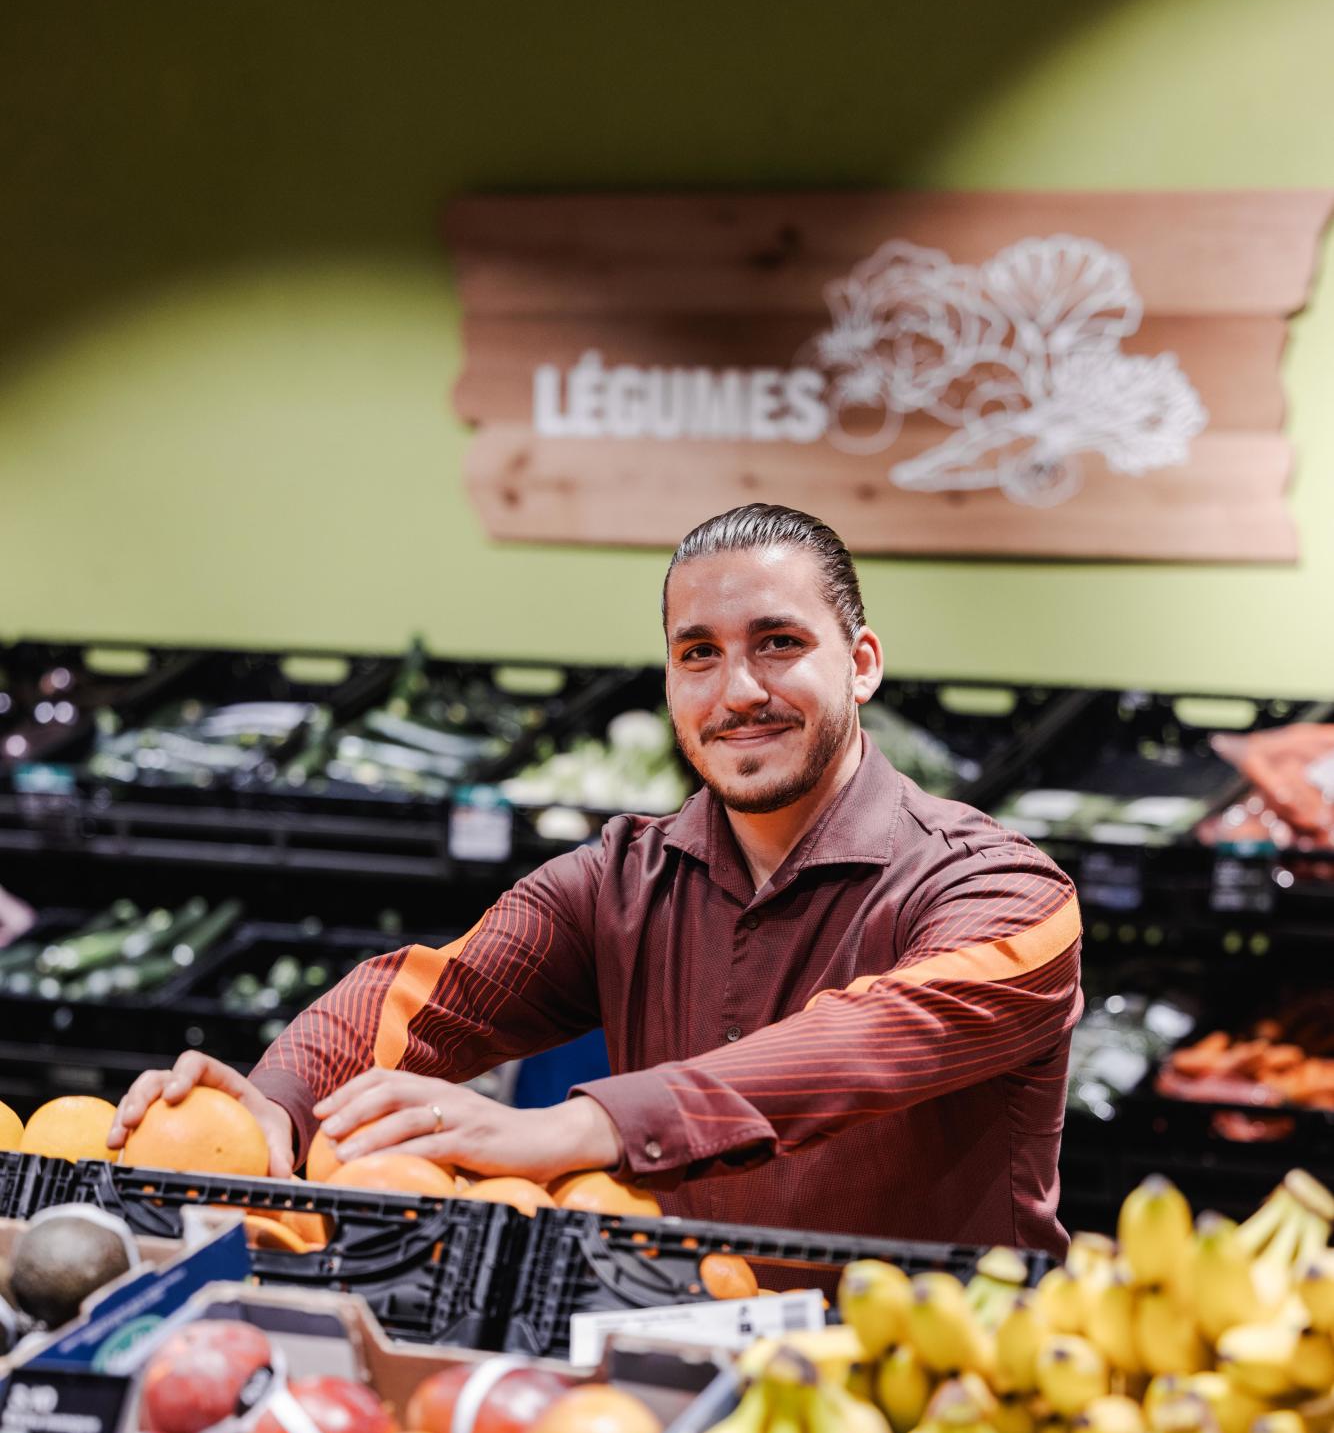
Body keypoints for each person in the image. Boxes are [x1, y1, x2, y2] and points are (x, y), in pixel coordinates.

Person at [111, 503, 1082, 1254]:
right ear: (667, 686)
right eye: (697, 653)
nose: (737, 690)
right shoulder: (620, 881)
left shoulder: (1005, 898)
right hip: (684, 1351)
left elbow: (853, 1045)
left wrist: (571, 1126)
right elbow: (425, 993)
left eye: (777, 643)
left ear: (861, 663)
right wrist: (273, 1099)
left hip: (948, 1384)